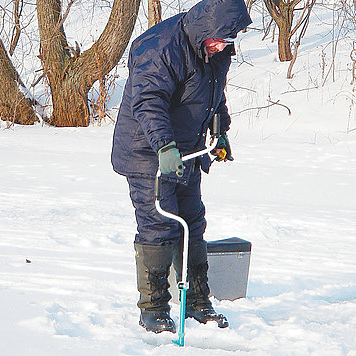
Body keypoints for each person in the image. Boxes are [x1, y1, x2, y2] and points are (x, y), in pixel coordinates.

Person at [111, 0, 252, 334]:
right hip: (148, 150)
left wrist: (220, 132)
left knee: (193, 222)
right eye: (220, 38)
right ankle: (154, 308)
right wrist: (165, 146)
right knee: (160, 224)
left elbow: (214, 94)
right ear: (206, 28)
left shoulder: (215, 48)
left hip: (186, 149)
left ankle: (198, 301)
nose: (223, 45)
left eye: (229, 39)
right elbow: (148, 102)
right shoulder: (159, 47)